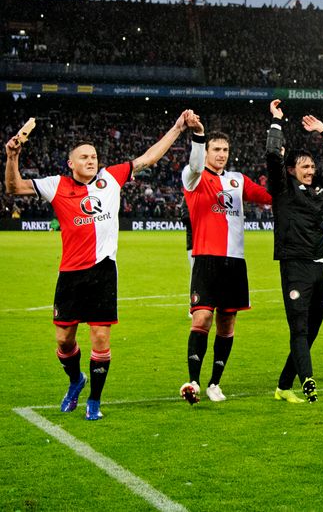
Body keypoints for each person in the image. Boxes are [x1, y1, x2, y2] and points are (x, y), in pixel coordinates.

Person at [5, 111, 192, 420]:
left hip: (103, 270)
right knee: (64, 340)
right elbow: (14, 188)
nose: (91, 160)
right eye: (84, 157)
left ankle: (94, 400)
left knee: (101, 338)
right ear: (71, 163)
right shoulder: (56, 185)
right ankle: (76, 379)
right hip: (70, 273)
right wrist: (13, 157)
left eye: (93, 156)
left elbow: (148, 158)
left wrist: (177, 128)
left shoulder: (112, 177)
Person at [179, 114, 272, 404]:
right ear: (206, 152)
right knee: (203, 316)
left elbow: (268, 197)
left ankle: (214, 383)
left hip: (235, 261)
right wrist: (198, 135)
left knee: (227, 322)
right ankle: (193, 381)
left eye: (225, 150)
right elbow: (194, 165)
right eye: (216, 149)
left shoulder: (237, 180)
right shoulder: (193, 177)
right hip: (207, 258)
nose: (221, 154)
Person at [266, 99, 323, 404]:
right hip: (295, 266)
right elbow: (272, 157)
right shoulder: (282, 187)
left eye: (313, 167)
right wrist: (276, 122)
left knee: (311, 330)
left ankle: (283, 385)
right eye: (305, 167)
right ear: (292, 170)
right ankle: (309, 382)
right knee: (299, 328)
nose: (311, 171)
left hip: (320, 266)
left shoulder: (317, 188)